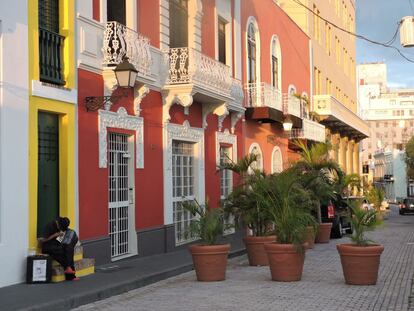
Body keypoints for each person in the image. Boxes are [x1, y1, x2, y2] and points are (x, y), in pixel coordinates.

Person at [39, 217, 79, 281]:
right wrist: (55, 235)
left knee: (69, 249)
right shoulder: (49, 226)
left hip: (56, 244)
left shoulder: (61, 223)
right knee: (63, 253)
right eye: (61, 229)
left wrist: (62, 236)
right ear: (59, 224)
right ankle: (70, 274)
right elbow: (42, 240)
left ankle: (70, 272)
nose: (61, 230)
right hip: (48, 247)